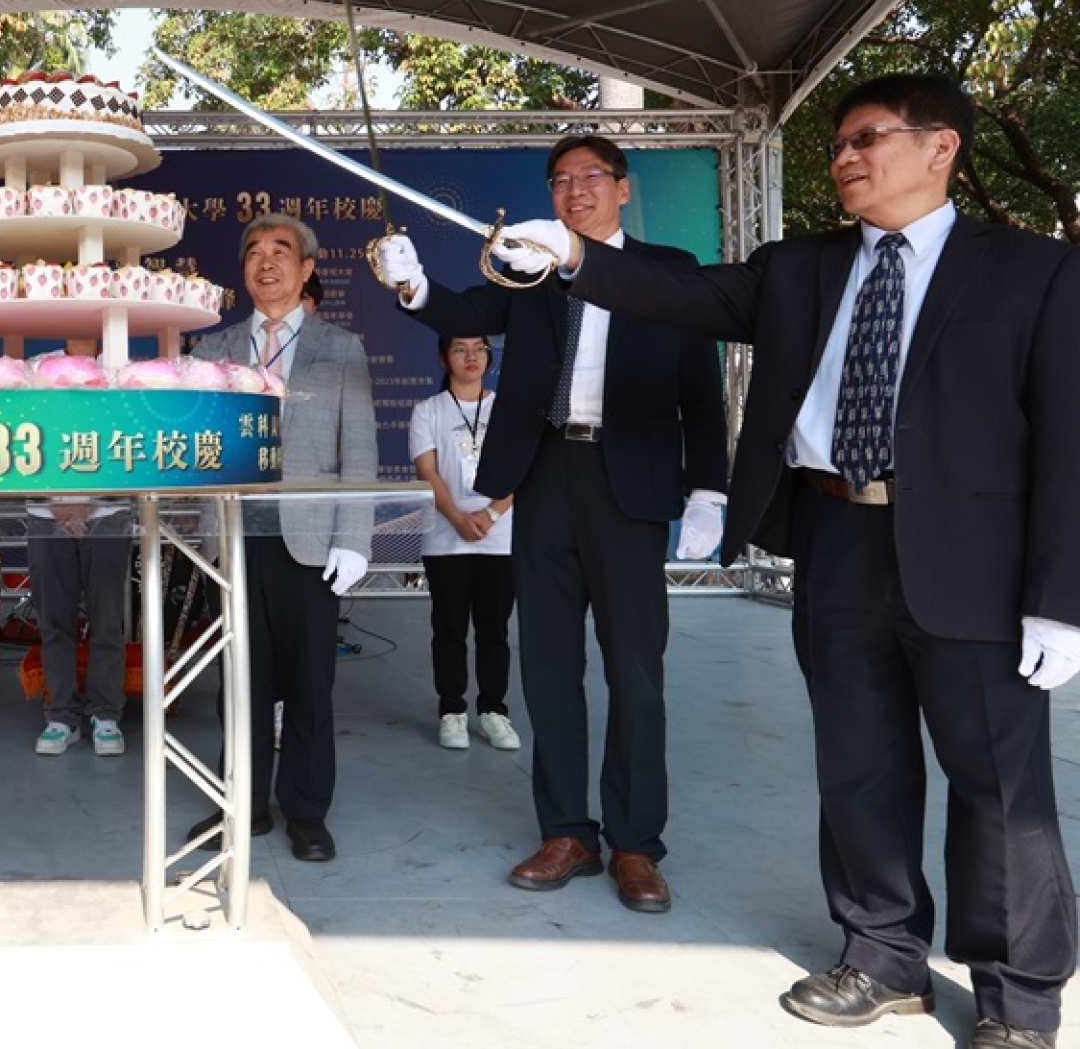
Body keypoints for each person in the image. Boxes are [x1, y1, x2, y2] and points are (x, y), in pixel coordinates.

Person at [493, 74, 1079, 1048]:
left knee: (999, 786)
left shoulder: (1034, 271)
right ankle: (883, 955)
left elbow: (1067, 438)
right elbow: (681, 293)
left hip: (976, 560)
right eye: (838, 144)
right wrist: (576, 255)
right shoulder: (800, 267)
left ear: (941, 147)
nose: (844, 157)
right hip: (836, 535)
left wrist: (1061, 595)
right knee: (858, 764)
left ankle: (1018, 1001)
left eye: (866, 138)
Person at [376, 134, 727, 914]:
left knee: (636, 669)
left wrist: (708, 487)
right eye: (560, 179)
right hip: (543, 476)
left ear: (622, 188)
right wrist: (413, 285)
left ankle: (635, 842)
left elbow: (701, 389)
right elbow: (468, 312)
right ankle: (567, 831)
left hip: (631, 481)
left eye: (591, 176)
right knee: (548, 665)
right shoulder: (531, 271)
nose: (575, 190)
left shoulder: (669, 270)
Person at [188, 212, 377, 863]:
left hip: (311, 539)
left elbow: (360, 448)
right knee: (239, 681)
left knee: (309, 684)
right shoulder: (212, 349)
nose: (265, 263)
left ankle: (306, 809)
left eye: (280, 252)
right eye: (254, 253)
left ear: (306, 269)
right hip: (234, 538)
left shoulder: (340, 347)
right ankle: (239, 803)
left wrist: (355, 538)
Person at [408, 337, 518, 752]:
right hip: (445, 537)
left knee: (494, 630)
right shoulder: (428, 411)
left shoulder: (508, 410)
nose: (471, 357)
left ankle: (494, 711)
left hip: (499, 538)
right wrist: (457, 518)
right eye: (459, 349)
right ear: (443, 358)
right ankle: (451, 710)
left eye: (479, 349)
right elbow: (428, 472)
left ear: (489, 356)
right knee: (449, 628)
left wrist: (491, 515)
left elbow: (519, 471)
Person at [29, 339, 131, 758]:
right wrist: (56, 500)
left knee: (107, 620)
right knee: (55, 621)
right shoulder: (36, 371)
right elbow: (21, 441)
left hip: (109, 513)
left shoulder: (122, 371)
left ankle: (105, 715)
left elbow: (133, 440)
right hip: (46, 513)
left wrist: (90, 499)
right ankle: (61, 716)